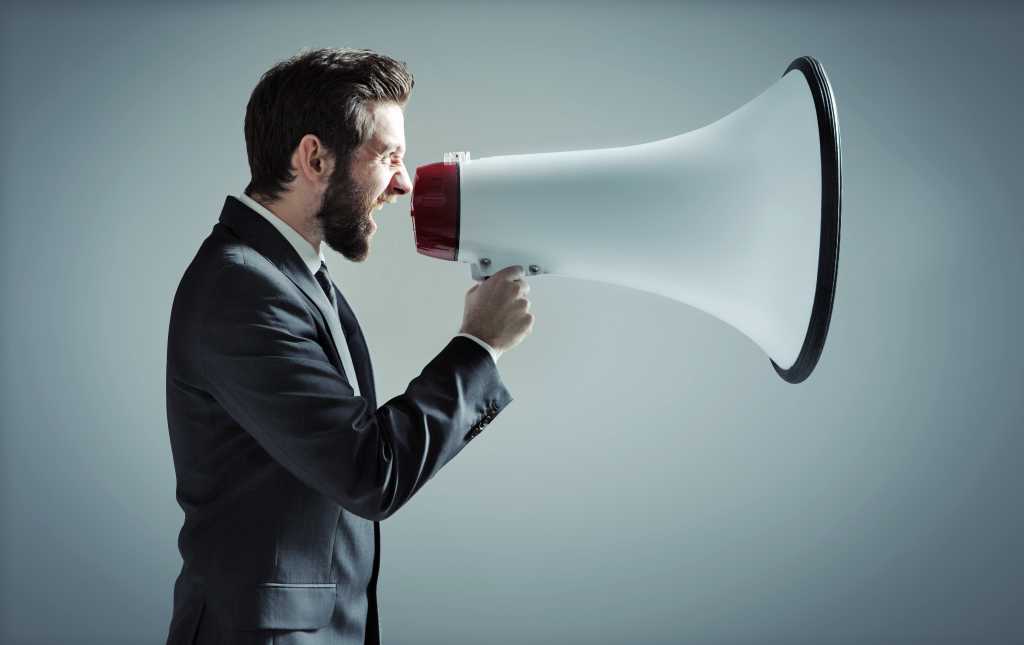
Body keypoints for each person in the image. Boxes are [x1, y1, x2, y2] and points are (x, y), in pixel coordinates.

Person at [164, 48, 533, 645]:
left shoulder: (287, 275)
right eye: (389, 156)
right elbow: (370, 472)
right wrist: (478, 347)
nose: (405, 182)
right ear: (314, 157)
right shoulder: (242, 286)